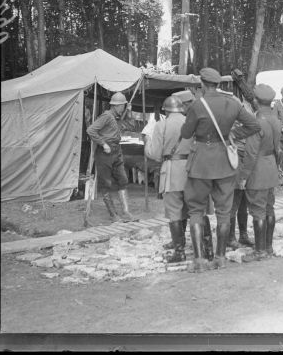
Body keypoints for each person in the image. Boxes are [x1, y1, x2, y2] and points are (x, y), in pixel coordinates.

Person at [181, 67, 260, 272]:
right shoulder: (232, 103)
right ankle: (220, 258)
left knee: (196, 210)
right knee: (224, 212)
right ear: (218, 84)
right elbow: (254, 125)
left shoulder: (198, 105)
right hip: (225, 163)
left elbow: (186, 133)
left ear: (202, 84)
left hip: (200, 164)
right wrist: (233, 135)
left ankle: (199, 261)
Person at [144, 96, 209, 263]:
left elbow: (155, 154)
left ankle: (179, 251)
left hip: (172, 172)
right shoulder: (191, 122)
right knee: (197, 210)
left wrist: (146, 142)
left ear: (166, 110)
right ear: (181, 109)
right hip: (192, 171)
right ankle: (206, 249)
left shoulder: (162, 124)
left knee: (174, 212)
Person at [239, 84, 281, 262]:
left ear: (255, 101)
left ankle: (259, 251)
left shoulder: (255, 122)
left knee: (257, 210)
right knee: (269, 208)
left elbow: (250, 153)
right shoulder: (275, 119)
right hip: (271, 167)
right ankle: (268, 247)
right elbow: (278, 149)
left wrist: (243, 176)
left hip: (257, 170)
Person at [87, 91, 136, 222]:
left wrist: (129, 112)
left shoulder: (118, 117)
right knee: (106, 183)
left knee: (123, 180)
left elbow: (132, 126)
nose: (124, 108)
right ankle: (113, 214)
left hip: (117, 151)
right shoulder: (107, 116)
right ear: (117, 106)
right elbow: (91, 130)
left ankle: (126, 212)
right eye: (123, 106)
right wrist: (103, 144)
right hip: (105, 152)